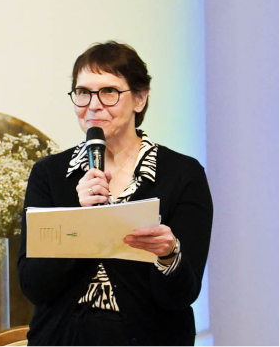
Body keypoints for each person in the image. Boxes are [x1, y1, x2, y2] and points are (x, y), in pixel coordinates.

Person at [18, 41, 213, 346]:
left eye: (109, 91)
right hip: (60, 338)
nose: (93, 105)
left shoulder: (183, 174)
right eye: (83, 92)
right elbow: (34, 286)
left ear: (140, 98)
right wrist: (80, 219)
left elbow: (182, 295)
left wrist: (168, 254)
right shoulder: (50, 174)